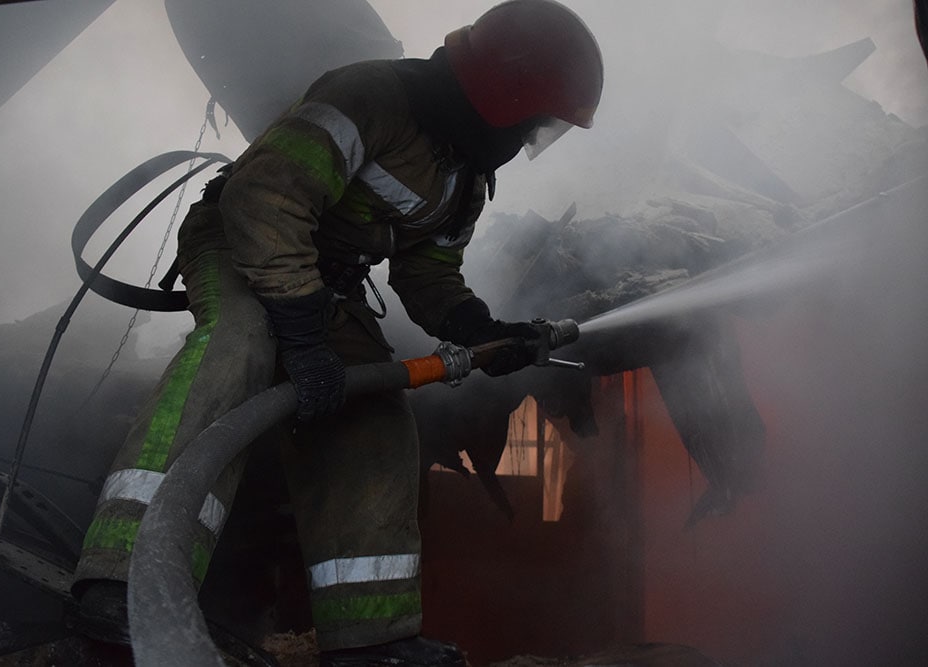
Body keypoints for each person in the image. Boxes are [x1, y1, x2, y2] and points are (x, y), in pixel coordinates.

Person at [70, 1, 603, 664]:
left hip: (323, 280)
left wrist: (480, 328)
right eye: (538, 121)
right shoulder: (370, 97)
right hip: (241, 242)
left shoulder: (464, 176)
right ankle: (120, 578)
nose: (532, 139)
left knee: (375, 415)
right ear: (506, 95)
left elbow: (428, 272)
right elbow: (265, 198)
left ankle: (369, 638)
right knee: (239, 345)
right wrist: (301, 333)